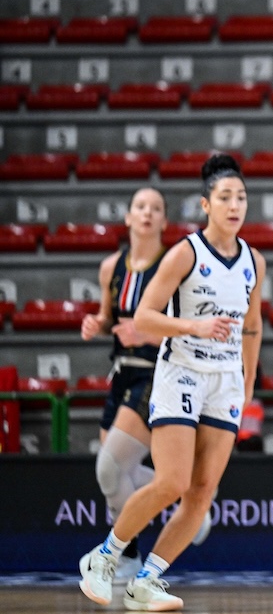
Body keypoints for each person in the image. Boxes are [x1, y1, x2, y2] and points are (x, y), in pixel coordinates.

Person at [79, 153, 265, 611]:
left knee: (202, 493)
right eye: (225, 197)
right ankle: (103, 557)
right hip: (180, 372)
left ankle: (147, 580)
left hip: (225, 381)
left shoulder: (254, 261)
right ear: (206, 204)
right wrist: (193, 327)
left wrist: (248, 382)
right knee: (172, 482)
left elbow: (253, 326)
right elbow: (143, 316)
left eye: (241, 197)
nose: (234, 205)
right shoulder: (186, 252)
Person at [79, 187, 168, 581]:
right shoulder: (110, 267)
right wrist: (96, 323)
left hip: (155, 373)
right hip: (120, 373)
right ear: (128, 217)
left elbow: (186, 331)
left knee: (111, 468)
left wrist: (147, 334)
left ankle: (126, 556)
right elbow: (106, 315)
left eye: (156, 208)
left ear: (164, 221)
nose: (147, 213)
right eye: (140, 207)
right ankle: (187, 500)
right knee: (120, 474)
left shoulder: (173, 265)